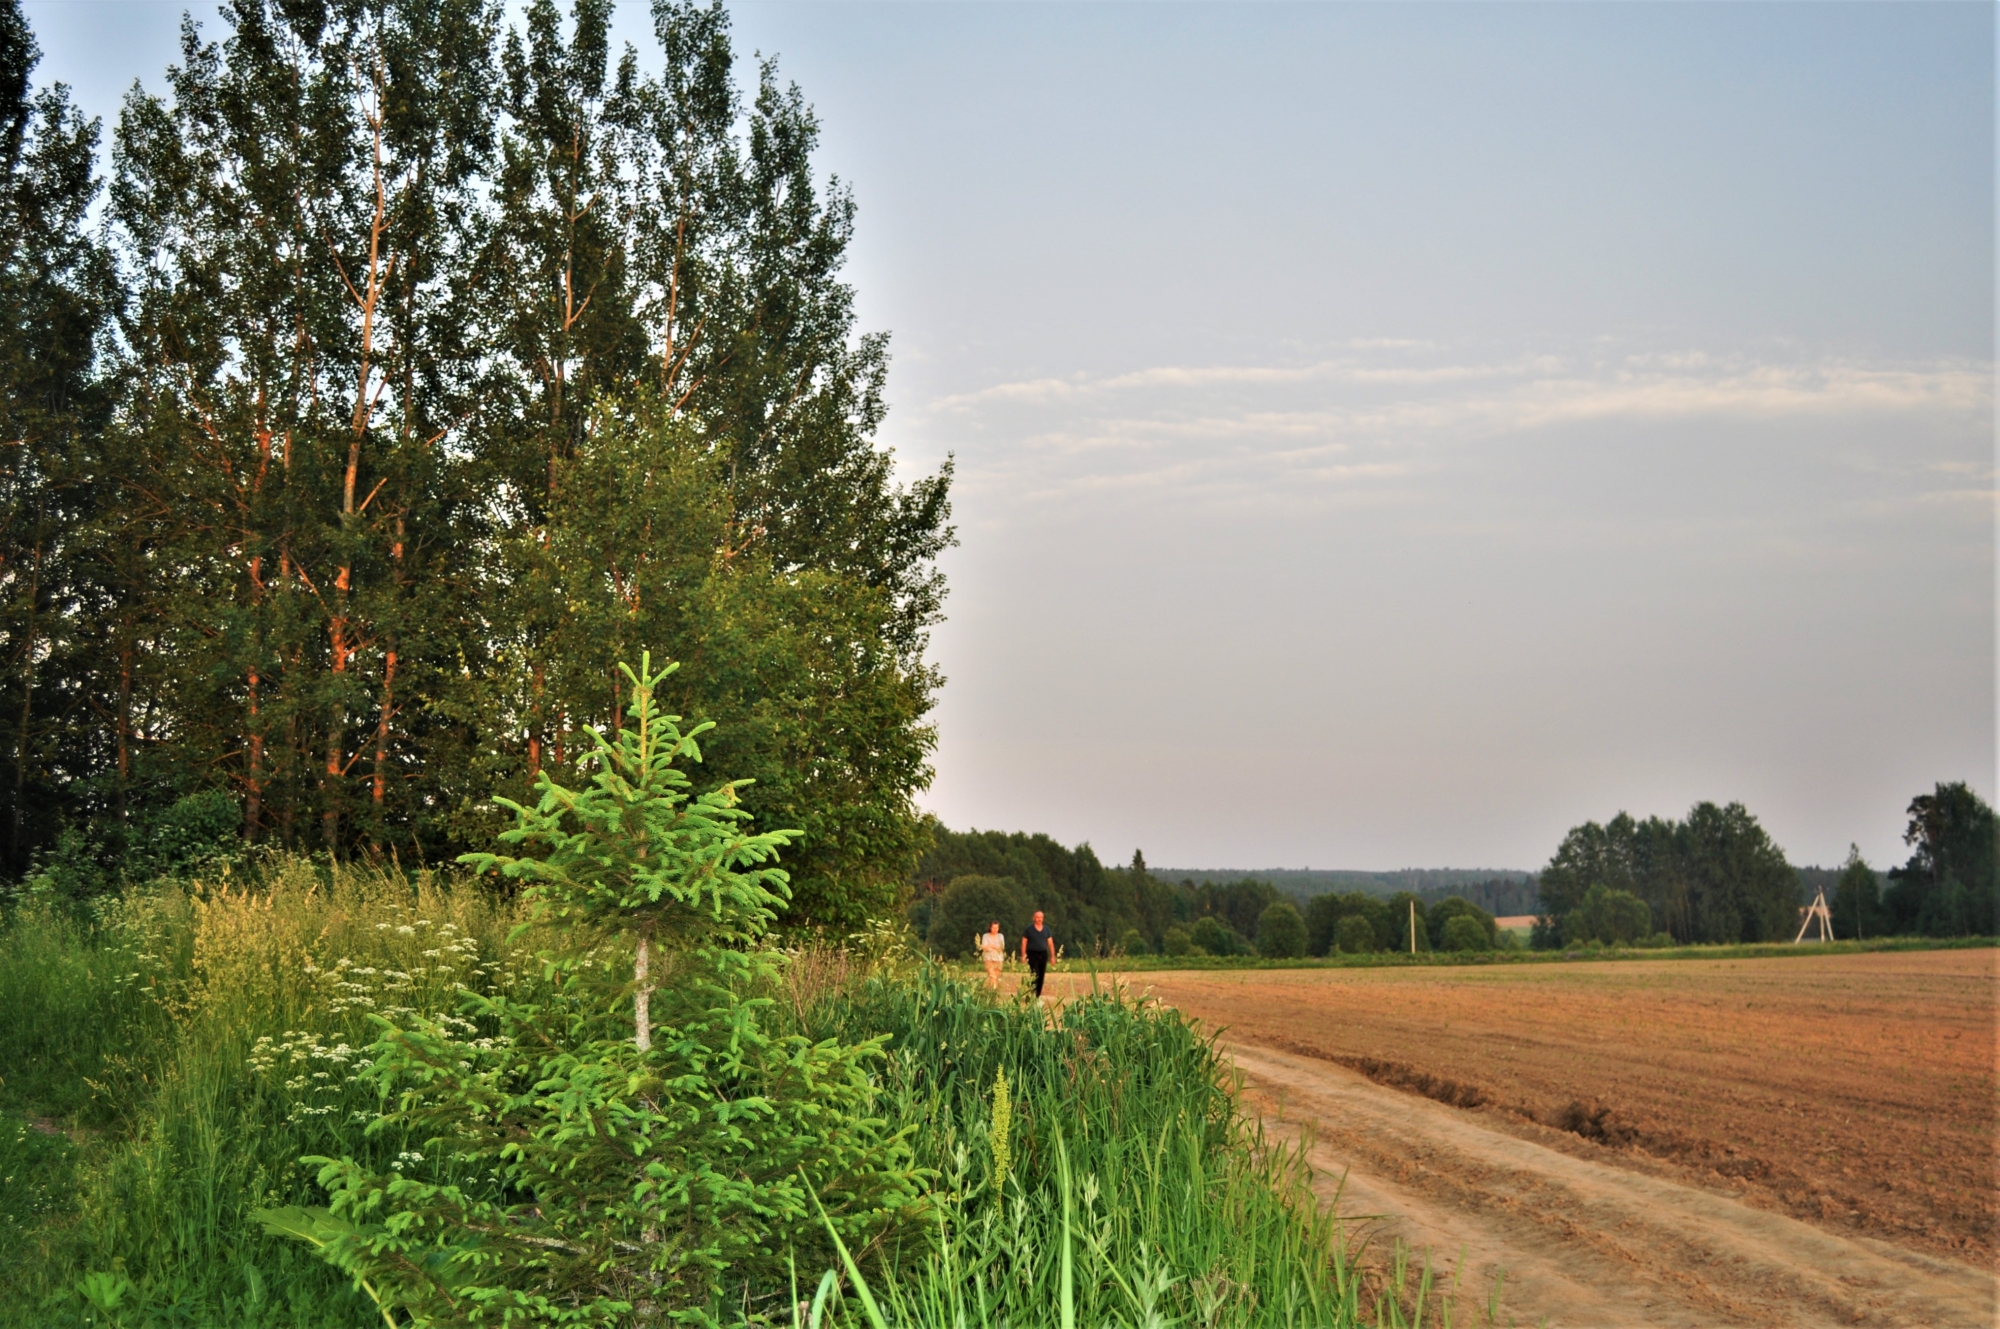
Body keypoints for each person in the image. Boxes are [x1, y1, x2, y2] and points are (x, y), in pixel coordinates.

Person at [1020, 910, 1053, 999]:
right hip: (1032, 953)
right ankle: (1033, 991)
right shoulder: (1029, 929)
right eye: (1037, 917)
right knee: (1035, 974)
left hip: (1043, 953)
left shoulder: (1046, 929)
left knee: (1041, 976)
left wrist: (1053, 956)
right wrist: (1023, 955)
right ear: (1033, 918)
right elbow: (1024, 943)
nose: (1039, 919)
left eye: (1041, 917)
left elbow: (1050, 943)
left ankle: (1037, 995)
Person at [977, 921, 1006, 991]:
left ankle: (992, 992)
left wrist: (991, 946)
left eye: (997, 928)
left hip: (999, 959)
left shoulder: (1001, 936)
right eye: (993, 927)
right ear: (990, 927)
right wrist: (994, 947)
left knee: (995, 977)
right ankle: (993, 991)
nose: (995, 929)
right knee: (992, 976)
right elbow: (985, 947)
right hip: (988, 959)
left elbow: (1001, 948)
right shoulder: (985, 936)